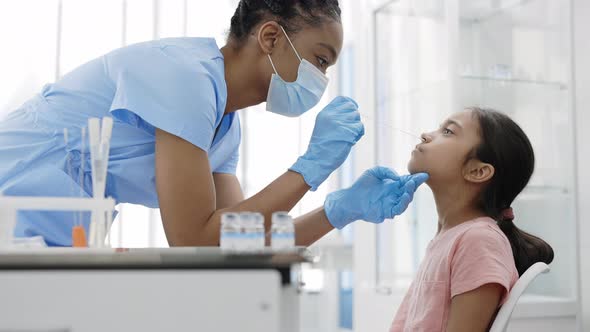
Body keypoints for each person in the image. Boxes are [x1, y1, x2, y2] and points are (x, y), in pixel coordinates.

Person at [0, 0, 427, 246]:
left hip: (44, 236)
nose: (322, 80)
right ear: (271, 37)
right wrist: (309, 167)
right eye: (319, 60)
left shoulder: (224, 125)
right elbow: (193, 240)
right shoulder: (186, 79)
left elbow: (236, 240)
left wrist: (338, 212)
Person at [389, 107, 554, 331]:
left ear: (478, 171)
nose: (426, 135)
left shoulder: (478, 241)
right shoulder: (449, 239)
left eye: (447, 131)